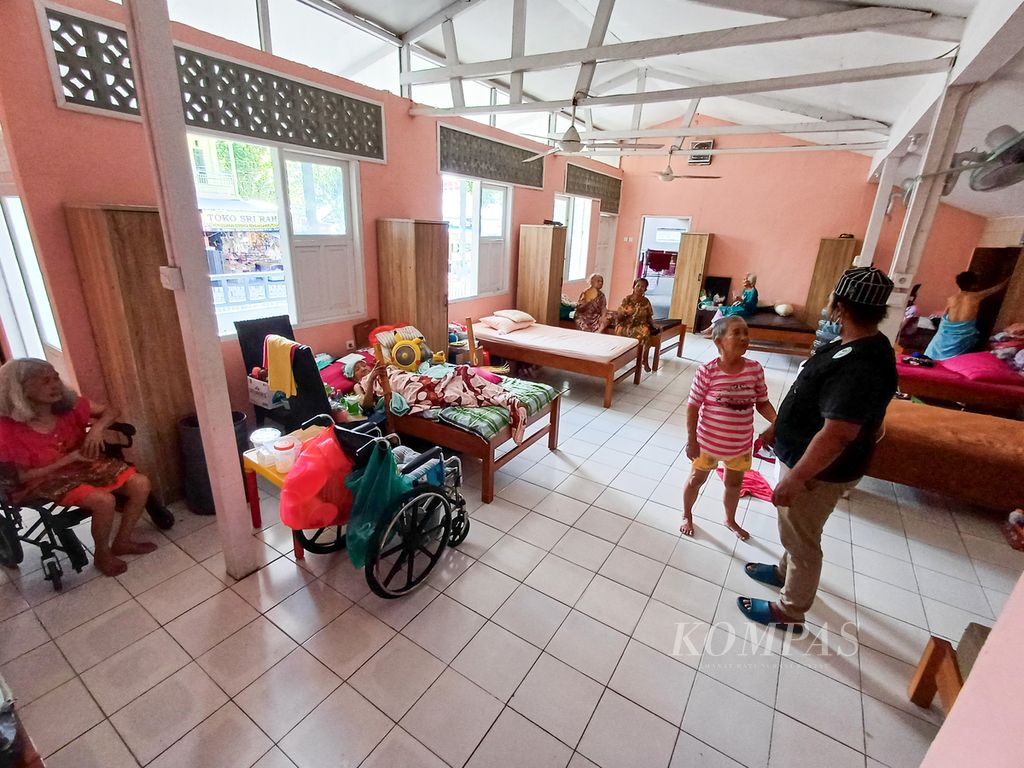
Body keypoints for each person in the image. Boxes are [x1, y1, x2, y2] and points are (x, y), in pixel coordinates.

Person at [738, 267, 897, 634]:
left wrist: (795, 478)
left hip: (819, 472)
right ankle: (783, 571)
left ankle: (790, 611)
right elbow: (807, 397)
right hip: (805, 458)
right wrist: (776, 429)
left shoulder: (861, 366)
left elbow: (837, 433)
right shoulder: (854, 344)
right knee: (799, 531)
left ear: (839, 304)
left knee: (802, 539)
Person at [0, 359, 156, 576]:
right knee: (104, 500)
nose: (55, 385)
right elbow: (22, 477)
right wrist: (69, 458)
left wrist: (97, 429)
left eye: (55, 377)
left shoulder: (67, 405)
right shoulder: (8, 429)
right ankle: (102, 555)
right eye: (46, 381)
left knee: (141, 483)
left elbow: (111, 410)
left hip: (82, 466)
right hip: (42, 479)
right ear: (21, 388)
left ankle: (122, 541)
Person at [682, 316, 776, 540]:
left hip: (740, 445)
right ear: (719, 342)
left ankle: (730, 519)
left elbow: (762, 402)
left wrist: (777, 421)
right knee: (696, 480)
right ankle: (687, 514)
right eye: (737, 333)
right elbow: (693, 407)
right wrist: (692, 440)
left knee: (734, 484)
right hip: (707, 443)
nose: (744, 338)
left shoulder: (754, 370)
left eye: (746, 333)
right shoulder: (707, 372)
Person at [354, 360, 528, 443]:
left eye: (363, 364)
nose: (362, 368)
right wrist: (371, 379)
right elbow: (366, 405)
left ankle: (507, 399)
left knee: (462, 374)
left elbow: (406, 374)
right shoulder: (360, 385)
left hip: (415, 381)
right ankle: (507, 401)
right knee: (451, 392)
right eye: (357, 369)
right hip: (409, 391)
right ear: (353, 376)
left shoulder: (385, 368)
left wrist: (389, 367)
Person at [924, 271, 1008, 360]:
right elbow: (995, 289)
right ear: (974, 284)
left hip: (946, 331)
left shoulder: (952, 298)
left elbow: (944, 315)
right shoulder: (976, 296)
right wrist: (1008, 280)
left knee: (937, 345)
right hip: (963, 334)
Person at [614, 277, 656, 372]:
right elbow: (619, 313)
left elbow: (649, 316)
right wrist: (626, 312)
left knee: (645, 333)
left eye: (643, 287)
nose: (640, 288)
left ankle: (644, 360)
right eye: (638, 286)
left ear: (645, 289)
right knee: (620, 331)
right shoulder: (627, 299)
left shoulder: (646, 301)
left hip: (639, 325)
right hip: (625, 324)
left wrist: (654, 325)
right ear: (633, 287)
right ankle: (619, 359)